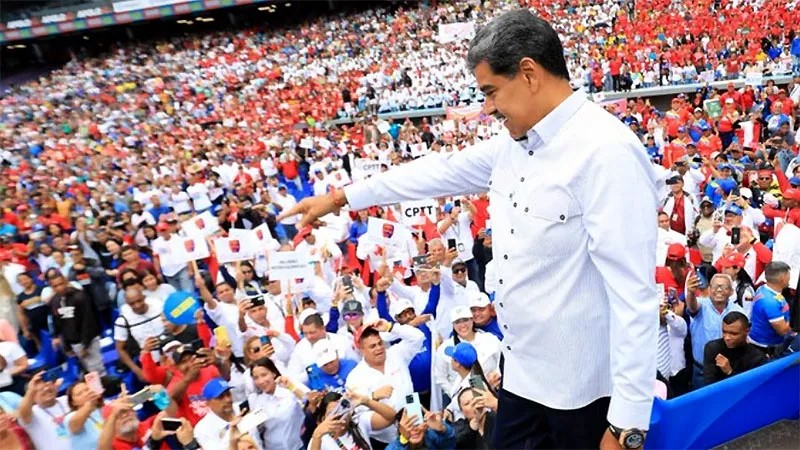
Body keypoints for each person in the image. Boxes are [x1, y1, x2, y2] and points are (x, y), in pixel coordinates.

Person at [281, 9, 658, 449]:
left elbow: (634, 295)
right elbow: (436, 171)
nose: (488, 107)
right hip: (523, 376)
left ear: (529, 73)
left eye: (491, 91)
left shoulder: (606, 151)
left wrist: (627, 425)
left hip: (583, 393)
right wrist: (341, 197)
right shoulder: (514, 145)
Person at [310, 390, 398, 450]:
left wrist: (367, 401)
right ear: (323, 419)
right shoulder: (320, 440)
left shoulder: (358, 422)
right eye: (332, 413)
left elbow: (391, 416)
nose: (339, 416)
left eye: (342, 410)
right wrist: (317, 435)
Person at [703, 312, 767, 385]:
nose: (727, 338)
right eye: (724, 332)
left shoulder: (757, 357)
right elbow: (709, 384)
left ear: (747, 331)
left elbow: (751, 386)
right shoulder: (713, 348)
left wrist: (730, 372)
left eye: (733, 334)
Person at [749, 262, 794, 355]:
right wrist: (796, 322)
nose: (790, 278)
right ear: (782, 278)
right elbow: (782, 330)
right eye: (788, 275)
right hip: (766, 347)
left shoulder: (763, 288)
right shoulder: (770, 302)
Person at [65, 379, 105, 450]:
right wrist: (89, 403)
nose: (86, 394)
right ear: (73, 402)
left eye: (87, 390)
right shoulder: (70, 417)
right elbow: (75, 426)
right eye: (79, 394)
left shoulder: (103, 407)